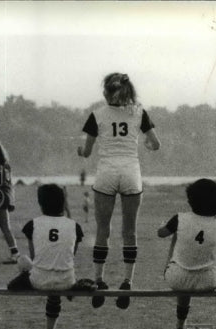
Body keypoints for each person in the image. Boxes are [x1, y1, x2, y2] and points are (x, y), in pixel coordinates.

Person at [77, 72, 161, 309]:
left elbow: (87, 151)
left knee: (103, 229)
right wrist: (144, 143)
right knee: (129, 231)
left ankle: (99, 280)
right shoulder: (139, 112)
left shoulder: (97, 115)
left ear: (106, 92)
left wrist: (79, 151)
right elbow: (155, 143)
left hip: (106, 173)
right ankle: (127, 281)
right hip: (131, 173)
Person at [9, 184, 85, 329]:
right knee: (58, 269)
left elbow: (36, 257)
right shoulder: (75, 226)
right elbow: (71, 256)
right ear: (63, 203)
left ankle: (23, 278)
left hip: (39, 280)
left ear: (41, 203)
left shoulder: (33, 225)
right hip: (66, 280)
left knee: (23, 260)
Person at [157, 178, 216, 329]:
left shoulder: (180, 218)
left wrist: (163, 225)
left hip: (177, 279)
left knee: (182, 256)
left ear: (191, 200)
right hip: (207, 281)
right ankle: (179, 327)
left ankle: (179, 326)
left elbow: (161, 233)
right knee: (194, 260)